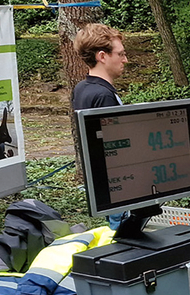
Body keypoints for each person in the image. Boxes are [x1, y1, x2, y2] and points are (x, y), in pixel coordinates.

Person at [71, 23, 128, 228]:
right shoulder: (103, 96)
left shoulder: (82, 88)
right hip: (117, 190)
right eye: (120, 54)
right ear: (102, 56)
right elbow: (117, 149)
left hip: (100, 188)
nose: (125, 60)